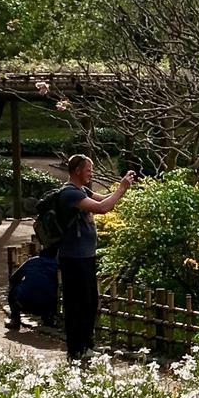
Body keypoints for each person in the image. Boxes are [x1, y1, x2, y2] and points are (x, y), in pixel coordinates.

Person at [50, 154, 135, 360]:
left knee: (89, 302)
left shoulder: (83, 190)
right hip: (73, 258)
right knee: (76, 304)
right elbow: (102, 208)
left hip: (86, 257)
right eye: (89, 169)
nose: (91, 173)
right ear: (78, 170)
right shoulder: (69, 194)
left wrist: (122, 188)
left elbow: (107, 202)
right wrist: (121, 188)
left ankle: (86, 345)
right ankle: (75, 349)